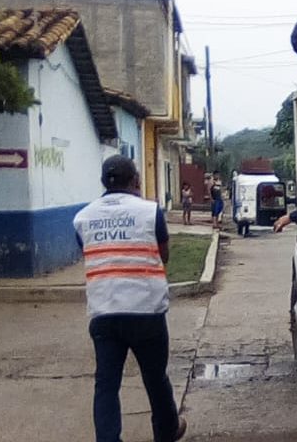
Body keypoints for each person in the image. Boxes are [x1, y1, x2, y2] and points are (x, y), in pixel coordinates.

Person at [73, 155, 186, 442]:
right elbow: (163, 255)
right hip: (146, 310)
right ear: (135, 180)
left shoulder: (82, 217)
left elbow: (87, 250)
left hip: (104, 311)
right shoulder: (150, 211)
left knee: (106, 384)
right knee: (155, 377)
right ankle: (167, 431)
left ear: (102, 182)